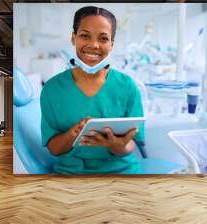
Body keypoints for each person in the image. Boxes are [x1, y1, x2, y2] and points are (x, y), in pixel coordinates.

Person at [40, 6, 145, 174]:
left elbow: (134, 143)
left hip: (121, 170)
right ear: (73, 38)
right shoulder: (52, 89)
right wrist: (72, 134)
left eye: (103, 39)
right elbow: (54, 148)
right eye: (84, 36)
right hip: (72, 173)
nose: (94, 45)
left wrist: (117, 146)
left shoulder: (127, 87)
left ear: (112, 44)